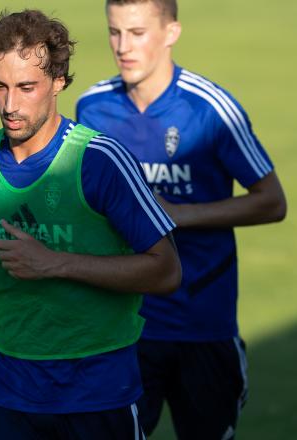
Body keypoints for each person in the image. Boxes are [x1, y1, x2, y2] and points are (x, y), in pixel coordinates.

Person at [0, 9, 182, 440]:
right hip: (3, 390)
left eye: (26, 87)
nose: (10, 105)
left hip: (96, 392)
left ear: (58, 81)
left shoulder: (99, 160)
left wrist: (55, 263)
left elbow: (166, 270)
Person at [75, 1, 287, 438]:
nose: (122, 46)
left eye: (137, 33)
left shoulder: (211, 109)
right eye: (114, 32)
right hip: (126, 328)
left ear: (171, 33)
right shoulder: (93, 108)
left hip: (202, 324)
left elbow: (271, 201)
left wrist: (178, 215)